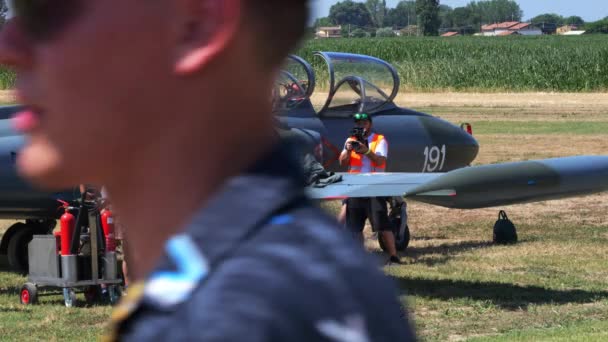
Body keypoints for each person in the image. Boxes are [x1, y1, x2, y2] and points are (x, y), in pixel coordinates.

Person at [0, 0, 416, 341]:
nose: (9, 45)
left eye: (49, 12)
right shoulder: (226, 283)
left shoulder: (242, 312)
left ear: (197, 25)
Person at [339, 113, 401, 265]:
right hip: (355, 187)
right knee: (355, 226)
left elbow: (380, 161)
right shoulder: (350, 140)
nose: (361, 126)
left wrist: (365, 151)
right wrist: (348, 150)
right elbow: (342, 162)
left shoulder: (379, 140)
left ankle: (393, 257)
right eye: (358, 123)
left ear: (370, 124)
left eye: (364, 123)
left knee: (382, 225)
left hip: (374, 187)